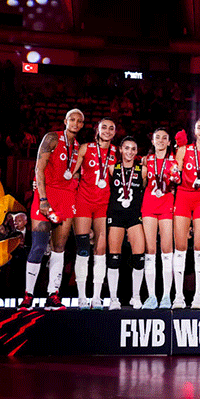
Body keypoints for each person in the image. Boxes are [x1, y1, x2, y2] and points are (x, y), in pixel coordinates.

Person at [19, 109, 84, 311]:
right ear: (65, 121)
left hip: (66, 198)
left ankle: (53, 294)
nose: (75, 123)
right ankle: (28, 295)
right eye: (72, 119)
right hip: (46, 194)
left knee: (59, 248)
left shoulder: (78, 146)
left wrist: (74, 182)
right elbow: (39, 168)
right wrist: (42, 198)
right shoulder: (52, 138)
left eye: (79, 121)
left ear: (82, 125)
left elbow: (75, 173)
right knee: (38, 246)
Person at [70, 118, 117, 309]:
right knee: (83, 249)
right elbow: (70, 172)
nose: (107, 131)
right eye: (104, 127)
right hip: (83, 201)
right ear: (97, 129)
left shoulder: (116, 152)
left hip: (103, 204)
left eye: (111, 128)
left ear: (114, 132)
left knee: (101, 250)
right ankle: (82, 297)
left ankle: (96, 297)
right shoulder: (85, 148)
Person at [173, 118, 200, 309]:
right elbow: (175, 175)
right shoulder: (183, 150)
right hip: (183, 198)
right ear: (194, 130)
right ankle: (178, 296)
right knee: (180, 247)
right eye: (199, 128)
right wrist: (173, 174)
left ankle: (198, 296)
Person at [105, 137, 146, 310]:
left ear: (136, 152)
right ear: (121, 150)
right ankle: (114, 299)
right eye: (126, 148)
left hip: (134, 215)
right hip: (116, 215)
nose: (130, 152)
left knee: (139, 257)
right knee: (114, 258)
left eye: (133, 149)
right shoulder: (111, 168)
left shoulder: (142, 170)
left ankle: (136, 297)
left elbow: (145, 188)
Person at [140, 128, 177, 309]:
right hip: (149, 204)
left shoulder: (174, 162)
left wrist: (175, 178)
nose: (161, 140)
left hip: (166, 204)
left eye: (164, 138)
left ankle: (166, 296)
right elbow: (142, 184)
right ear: (152, 141)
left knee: (167, 250)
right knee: (150, 250)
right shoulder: (146, 160)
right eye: (157, 138)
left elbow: (177, 182)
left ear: (169, 142)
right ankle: (152, 296)